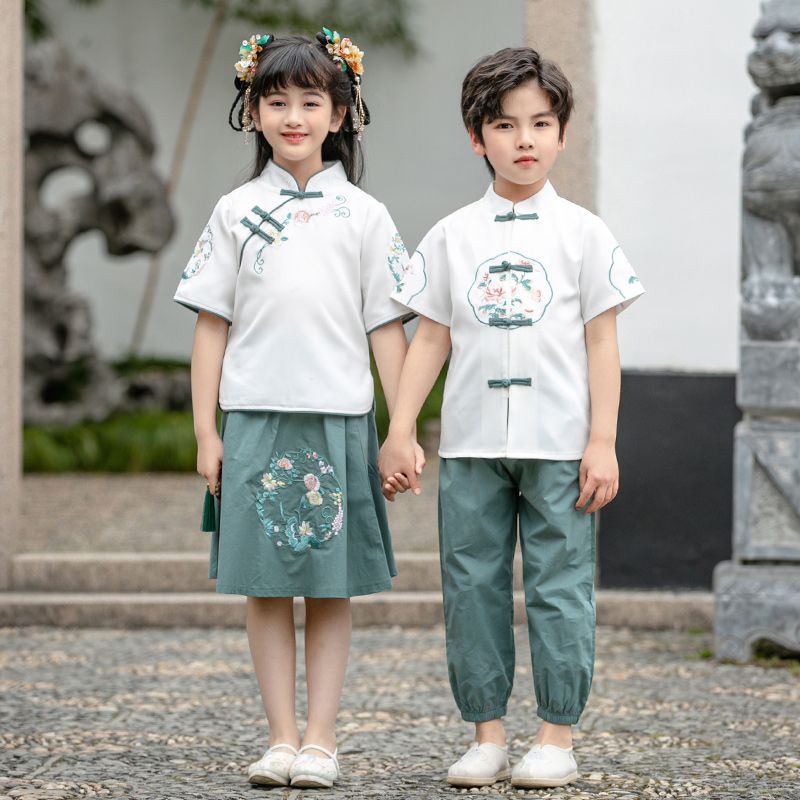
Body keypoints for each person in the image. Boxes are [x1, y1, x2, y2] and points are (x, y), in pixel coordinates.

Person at [379, 47, 644, 789]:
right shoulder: (451, 235)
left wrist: (603, 441)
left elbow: (602, 342)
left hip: (561, 445)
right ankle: (487, 732)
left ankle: (556, 734)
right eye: (504, 124)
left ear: (562, 134)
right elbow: (428, 337)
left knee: (561, 585)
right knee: (471, 585)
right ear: (477, 137)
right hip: (468, 445)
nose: (523, 139)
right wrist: (401, 429)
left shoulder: (587, 234)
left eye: (540, 123)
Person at [174, 28, 420, 790]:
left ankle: (321, 740)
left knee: (330, 586)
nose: (293, 116)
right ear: (251, 112)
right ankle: (279, 737)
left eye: (311, 101)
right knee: (265, 584)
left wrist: (401, 430)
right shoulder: (233, 212)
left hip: (340, 421)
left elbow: (388, 328)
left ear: (341, 113)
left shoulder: (366, 216)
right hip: (254, 420)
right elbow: (211, 326)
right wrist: (205, 431)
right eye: (276, 101)